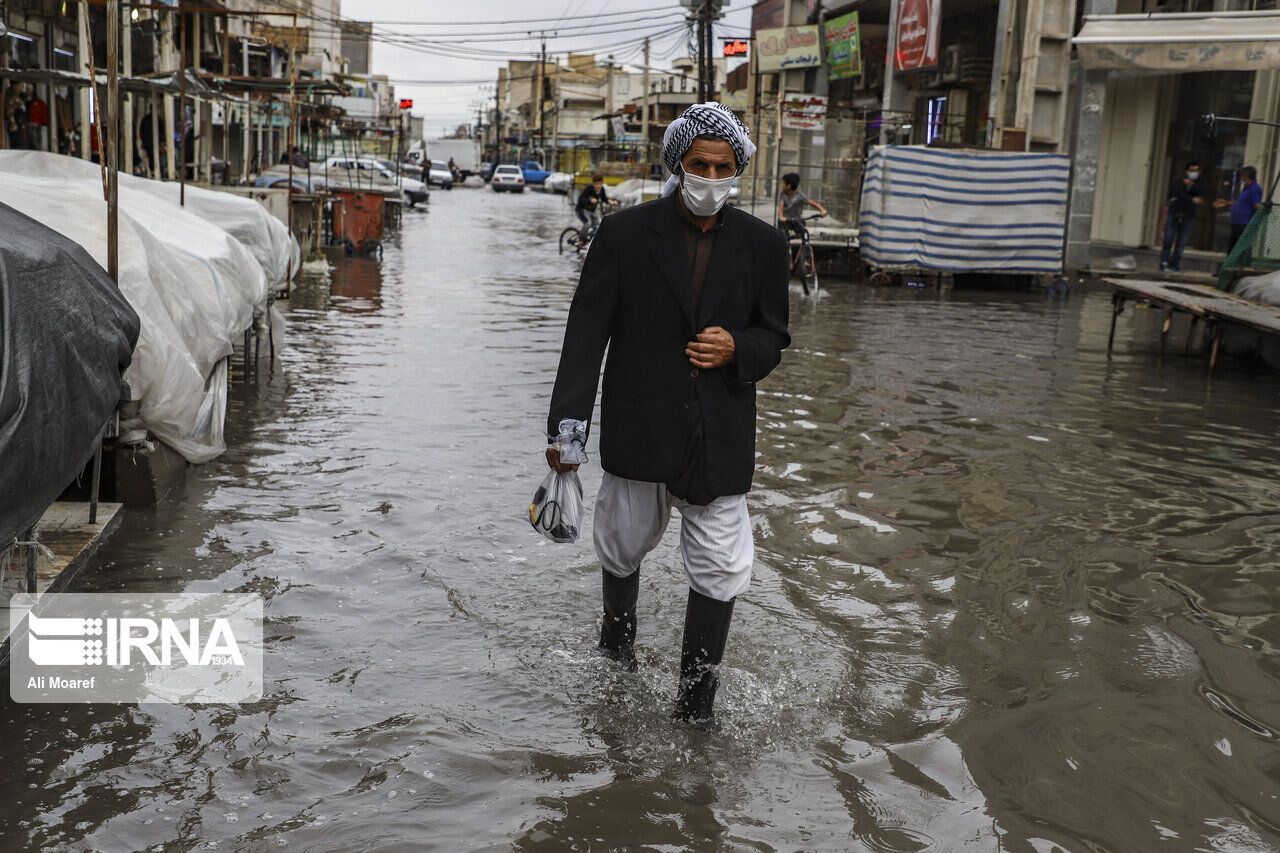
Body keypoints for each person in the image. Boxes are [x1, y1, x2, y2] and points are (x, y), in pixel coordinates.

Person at [545, 102, 791, 727]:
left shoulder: (763, 244)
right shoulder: (626, 235)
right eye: (699, 164)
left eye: (723, 166)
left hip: (718, 434)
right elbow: (585, 337)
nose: (711, 176)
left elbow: (773, 337)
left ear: (738, 171)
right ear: (677, 166)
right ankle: (617, 652)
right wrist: (568, 430)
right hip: (640, 426)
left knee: (721, 568)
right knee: (622, 547)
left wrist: (740, 348)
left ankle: (695, 706)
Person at [1160, 160, 1205, 272]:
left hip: (1188, 214)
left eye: (1196, 170)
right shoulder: (1179, 180)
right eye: (1191, 170)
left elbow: (1202, 192)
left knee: (1182, 241)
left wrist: (1192, 185)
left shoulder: (1200, 182)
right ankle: (1164, 262)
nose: (1194, 173)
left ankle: (1175, 264)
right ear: (1187, 171)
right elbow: (1175, 194)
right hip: (1174, 212)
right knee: (1168, 238)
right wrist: (1191, 198)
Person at [1214, 165, 1263, 252]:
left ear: (1247, 175)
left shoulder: (1255, 188)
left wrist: (1261, 212)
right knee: (1233, 245)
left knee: (1241, 246)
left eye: (1242, 174)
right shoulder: (1245, 188)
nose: (1241, 176)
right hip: (1237, 221)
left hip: (1244, 222)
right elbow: (1241, 202)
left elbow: (1256, 204)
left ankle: (1241, 264)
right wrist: (1225, 202)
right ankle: (1231, 264)